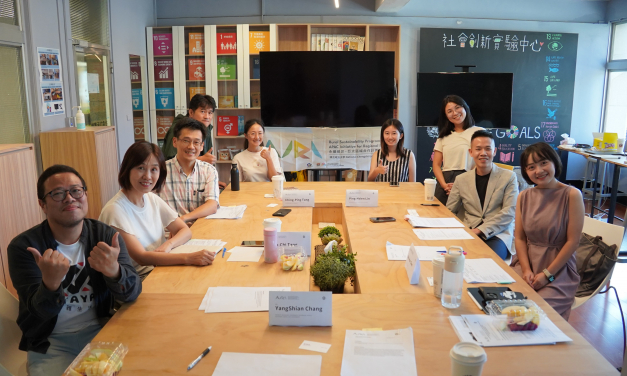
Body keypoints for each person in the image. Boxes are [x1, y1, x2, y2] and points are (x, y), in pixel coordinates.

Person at [7, 165, 141, 376]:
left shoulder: (105, 236)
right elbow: (38, 312)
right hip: (51, 342)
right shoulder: (25, 248)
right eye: (58, 193)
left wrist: (114, 271)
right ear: (43, 204)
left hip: (101, 330)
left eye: (76, 191)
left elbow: (132, 293)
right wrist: (50, 285)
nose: (70, 198)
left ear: (85, 195)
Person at [99, 141, 216, 281]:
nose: (148, 176)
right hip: (136, 280)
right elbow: (141, 257)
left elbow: (184, 230)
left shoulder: (151, 198)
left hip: (159, 269)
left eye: (154, 169)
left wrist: (168, 245)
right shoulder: (115, 210)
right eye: (141, 168)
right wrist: (189, 258)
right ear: (127, 169)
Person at [510, 142, 584, 320]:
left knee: (534, 314)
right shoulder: (524, 196)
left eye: (543, 163)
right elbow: (519, 238)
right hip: (526, 264)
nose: (539, 170)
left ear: (554, 162)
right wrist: (526, 270)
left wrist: (547, 275)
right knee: (505, 306)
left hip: (558, 270)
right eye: (531, 167)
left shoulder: (572, 195)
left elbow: (572, 242)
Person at [446, 130, 519, 260]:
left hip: (498, 234)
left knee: (487, 260)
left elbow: (510, 211)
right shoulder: (461, 179)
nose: (483, 153)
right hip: (468, 231)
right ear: (471, 152)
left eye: (487, 149)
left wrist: (480, 230)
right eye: (478, 149)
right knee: (452, 258)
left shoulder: (509, 177)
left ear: (495, 151)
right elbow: (449, 211)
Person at [160, 117, 219, 225]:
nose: (191, 146)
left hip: (201, 232)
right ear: (174, 142)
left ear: (202, 146)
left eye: (196, 142)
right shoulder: (160, 171)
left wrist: (183, 219)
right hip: (170, 233)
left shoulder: (209, 170)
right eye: (186, 141)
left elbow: (212, 205)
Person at [161, 94, 226, 189]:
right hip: (174, 183)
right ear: (191, 112)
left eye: (210, 113)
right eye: (202, 111)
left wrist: (210, 181)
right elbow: (171, 162)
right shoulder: (179, 130)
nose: (207, 117)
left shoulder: (204, 129)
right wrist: (202, 159)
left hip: (196, 181)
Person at [432, 95, 484, 205]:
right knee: (438, 215)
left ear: (465, 107)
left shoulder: (479, 132)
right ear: (446, 116)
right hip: (445, 182)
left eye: (457, 108)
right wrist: (445, 185)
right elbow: (436, 165)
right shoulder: (443, 137)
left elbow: (483, 160)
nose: (455, 113)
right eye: (449, 111)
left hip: (470, 179)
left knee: (464, 218)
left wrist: (465, 182)